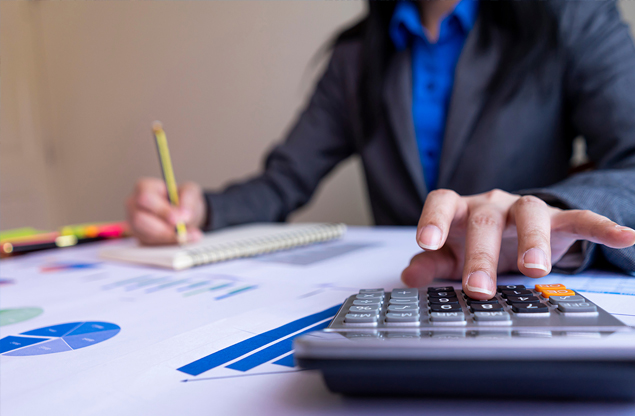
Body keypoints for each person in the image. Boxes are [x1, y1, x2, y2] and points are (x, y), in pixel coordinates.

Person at [127, 0, 635, 300]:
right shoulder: (355, 55)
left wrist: (551, 214)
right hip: (407, 284)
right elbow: (283, 182)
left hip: (526, 281)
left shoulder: (573, 17)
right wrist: (202, 209)